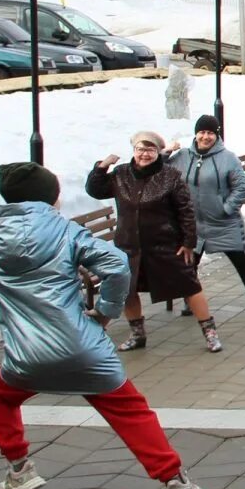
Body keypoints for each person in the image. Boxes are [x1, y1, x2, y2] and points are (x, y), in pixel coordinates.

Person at [0, 162, 207, 489]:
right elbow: (116, 264)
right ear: (52, 199)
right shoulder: (65, 234)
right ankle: (175, 483)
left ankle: (19, 468)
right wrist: (105, 312)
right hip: (83, 349)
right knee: (129, 411)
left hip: (25, 358)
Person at [87, 130, 223, 354]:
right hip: (129, 247)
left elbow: (186, 210)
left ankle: (210, 333)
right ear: (134, 151)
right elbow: (96, 190)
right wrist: (101, 168)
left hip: (164, 245)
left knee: (190, 286)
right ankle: (138, 334)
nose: (144, 154)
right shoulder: (121, 174)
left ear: (158, 152)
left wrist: (188, 241)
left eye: (150, 149)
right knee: (127, 290)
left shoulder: (170, 176)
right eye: (140, 149)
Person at [166, 115, 245, 317]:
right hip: (193, 223)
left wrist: (226, 208)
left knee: (243, 261)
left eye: (210, 133)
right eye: (202, 132)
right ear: (196, 134)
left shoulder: (227, 158)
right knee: (188, 264)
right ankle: (191, 300)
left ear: (217, 135)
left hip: (224, 222)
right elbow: (160, 171)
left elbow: (241, 187)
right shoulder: (183, 156)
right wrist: (165, 151)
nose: (206, 137)